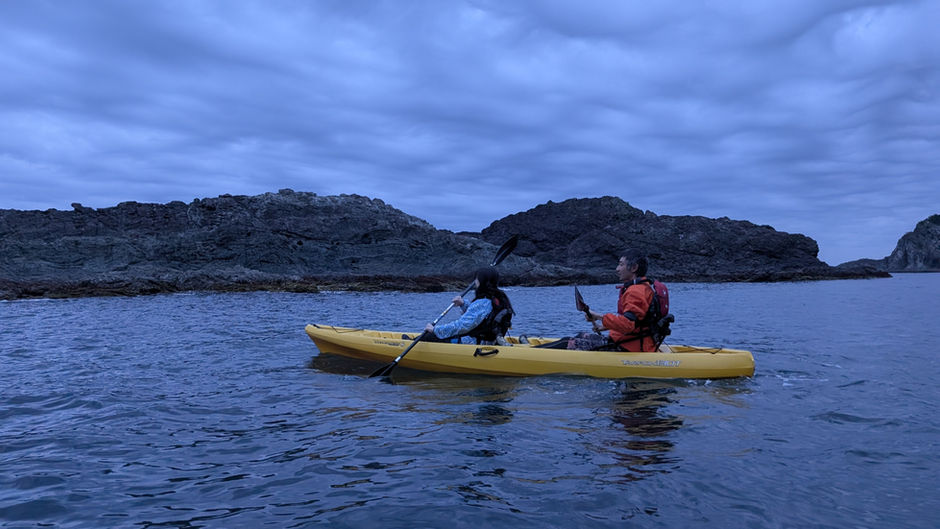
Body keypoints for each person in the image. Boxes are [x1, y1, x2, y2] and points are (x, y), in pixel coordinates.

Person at [583, 250, 657, 352]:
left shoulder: (635, 291)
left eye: (621, 265)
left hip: (628, 347)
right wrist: (605, 327)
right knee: (580, 336)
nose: (617, 269)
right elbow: (637, 323)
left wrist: (598, 316)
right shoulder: (643, 288)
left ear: (634, 267)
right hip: (631, 342)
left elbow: (628, 324)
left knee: (567, 343)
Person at [422, 267, 514, 344]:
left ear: (482, 281)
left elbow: (462, 326)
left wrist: (435, 330)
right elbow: (483, 317)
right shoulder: (499, 298)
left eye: (477, 279)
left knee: (428, 337)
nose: (475, 281)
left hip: (472, 343)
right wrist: (463, 304)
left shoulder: (482, 302)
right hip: (488, 341)